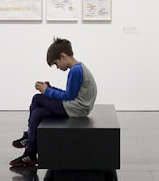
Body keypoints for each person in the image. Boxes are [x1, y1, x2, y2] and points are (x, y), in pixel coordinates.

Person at [10, 37, 97, 168]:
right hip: (75, 107)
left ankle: (29, 137)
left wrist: (47, 91)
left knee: (37, 98)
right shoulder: (79, 68)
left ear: (63, 56)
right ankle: (30, 154)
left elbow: (69, 96)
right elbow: (70, 94)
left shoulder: (75, 70)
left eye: (56, 64)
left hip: (76, 109)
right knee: (38, 113)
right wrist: (51, 89)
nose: (57, 67)